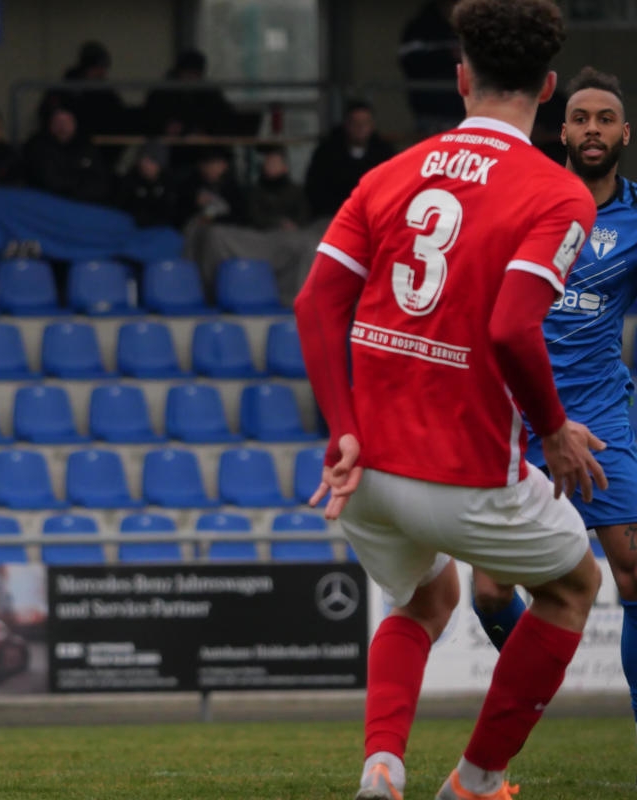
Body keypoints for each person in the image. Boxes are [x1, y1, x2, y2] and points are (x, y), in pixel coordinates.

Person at [293, 2, 607, 799]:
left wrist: (343, 432)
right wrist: (556, 431)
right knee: (574, 589)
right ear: (547, 87)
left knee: (425, 595)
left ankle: (382, 766)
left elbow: (313, 305)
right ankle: (476, 778)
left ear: (461, 78)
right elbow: (510, 328)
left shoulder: (388, 173)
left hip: (367, 469)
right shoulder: (560, 194)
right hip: (467, 472)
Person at [468, 65, 637, 748]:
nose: (592, 129)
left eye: (605, 119)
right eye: (580, 118)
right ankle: (532, 686)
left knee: (633, 575)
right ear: (559, 129)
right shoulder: (527, 197)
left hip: (600, 419)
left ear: (625, 132)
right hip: (516, 422)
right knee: (487, 592)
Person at [303, 101, 395, 220]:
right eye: (355, 123)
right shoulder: (327, 153)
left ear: (372, 125)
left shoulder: (384, 153)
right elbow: (316, 189)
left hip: (374, 216)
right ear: (347, 125)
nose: (360, 127)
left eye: (365, 123)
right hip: (334, 216)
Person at [22, 106, 112, 205]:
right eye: (57, 121)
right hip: (49, 205)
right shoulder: (39, 147)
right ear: (50, 124)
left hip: (85, 205)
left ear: (75, 123)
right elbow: (50, 181)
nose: (62, 126)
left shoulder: (87, 147)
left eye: (67, 121)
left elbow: (101, 183)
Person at [398, 0, 464, 136]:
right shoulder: (421, 26)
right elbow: (410, 60)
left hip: (463, 109)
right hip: (430, 109)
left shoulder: (469, 26)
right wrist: (448, 55)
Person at [113, 141, 178, 229]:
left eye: (151, 160)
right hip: (132, 230)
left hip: (159, 231)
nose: (145, 164)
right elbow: (119, 209)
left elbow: (170, 212)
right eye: (143, 159)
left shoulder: (168, 183)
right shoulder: (130, 180)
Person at [246, 145, 309, 231]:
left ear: (285, 167)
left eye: (275, 163)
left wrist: (292, 224)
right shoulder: (256, 191)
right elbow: (255, 216)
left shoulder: (295, 191)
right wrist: (277, 223)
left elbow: (304, 214)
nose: (271, 166)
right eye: (268, 162)